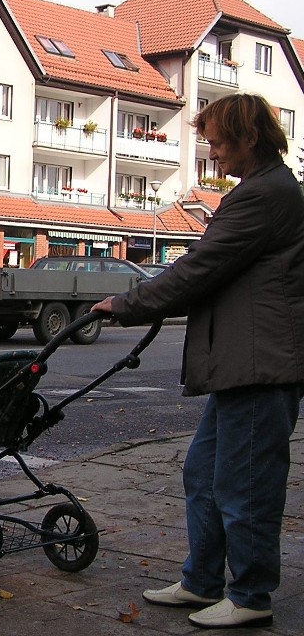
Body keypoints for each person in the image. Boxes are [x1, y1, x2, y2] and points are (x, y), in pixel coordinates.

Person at [92, 93, 304, 629]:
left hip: (261, 363)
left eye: (216, 142)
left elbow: (202, 268)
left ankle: (251, 593)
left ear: (248, 137)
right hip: (244, 361)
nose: (212, 154)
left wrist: (127, 303)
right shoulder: (260, 191)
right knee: (204, 474)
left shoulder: (267, 195)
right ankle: (201, 581)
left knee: (246, 482)